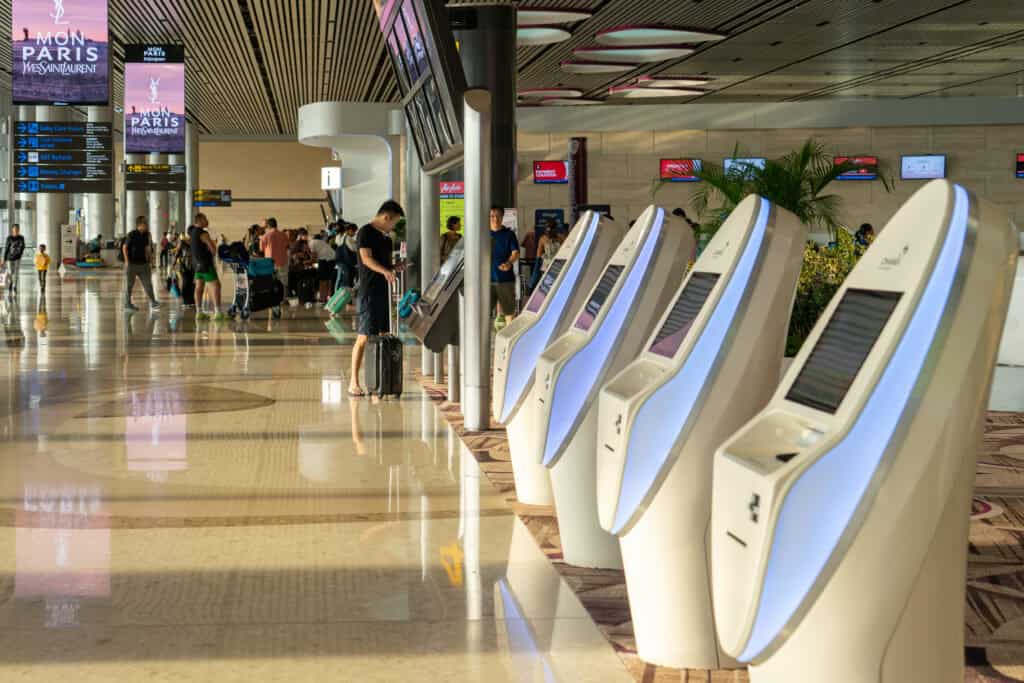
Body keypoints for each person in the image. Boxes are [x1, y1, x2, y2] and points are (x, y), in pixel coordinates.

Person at [350, 200, 404, 397]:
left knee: (382, 335)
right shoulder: (365, 232)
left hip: (383, 292)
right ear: (386, 217)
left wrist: (394, 268)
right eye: (394, 222)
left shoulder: (386, 239)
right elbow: (366, 259)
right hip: (369, 292)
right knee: (364, 336)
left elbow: (384, 264)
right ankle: (353, 382)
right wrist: (385, 271)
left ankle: (379, 381)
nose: (393, 227)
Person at [188, 213, 224, 320]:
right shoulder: (203, 233)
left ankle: (199, 313)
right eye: (205, 219)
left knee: (199, 287)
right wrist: (213, 246)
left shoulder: (193, 232)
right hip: (205, 263)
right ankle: (218, 313)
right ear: (200, 220)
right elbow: (213, 249)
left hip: (196, 264)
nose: (207, 221)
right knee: (216, 286)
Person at [490, 205, 519, 331]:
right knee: (482, 314)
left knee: (509, 313)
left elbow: (515, 252)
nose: (495, 219)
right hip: (486, 281)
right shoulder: (482, 234)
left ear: (502, 217)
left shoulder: (509, 234)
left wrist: (509, 263)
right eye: (492, 216)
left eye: (498, 216)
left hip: (505, 279)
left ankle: (507, 343)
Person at [123, 216, 161, 312]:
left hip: (144, 264)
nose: (147, 225)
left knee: (148, 284)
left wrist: (150, 261)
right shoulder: (131, 234)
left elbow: (147, 248)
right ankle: (127, 304)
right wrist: (127, 262)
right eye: (145, 223)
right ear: (140, 225)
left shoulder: (147, 235)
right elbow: (125, 248)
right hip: (132, 264)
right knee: (129, 285)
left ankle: (153, 302)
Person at [259, 217, 290, 306]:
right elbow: (287, 246)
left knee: (271, 281)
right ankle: (284, 299)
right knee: (284, 282)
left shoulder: (265, 236)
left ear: (268, 225)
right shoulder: (283, 235)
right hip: (282, 261)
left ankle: (272, 299)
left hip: (270, 262)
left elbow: (261, 249)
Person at [530, 221, 563, 292]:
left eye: (551, 229)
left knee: (557, 287)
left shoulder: (561, 238)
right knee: (548, 288)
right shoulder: (543, 239)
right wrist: (537, 266)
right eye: (548, 229)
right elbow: (539, 254)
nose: (549, 231)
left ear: (555, 229)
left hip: (558, 266)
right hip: (546, 267)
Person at [310, 230, 337, 303]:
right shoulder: (322, 242)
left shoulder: (312, 243)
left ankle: (322, 298)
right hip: (333, 260)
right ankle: (328, 297)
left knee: (322, 281)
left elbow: (313, 257)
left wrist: (308, 262)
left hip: (324, 261)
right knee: (329, 280)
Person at [2, 224, 26, 297]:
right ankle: (10, 284)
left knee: (16, 273)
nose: (15, 230)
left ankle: (15, 286)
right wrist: (4, 259)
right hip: (9, 258)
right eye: (14, 229)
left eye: (17, 229)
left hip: (17, 258)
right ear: (12, 230)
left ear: (18, 230)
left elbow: (23, 246)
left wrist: (20, 254)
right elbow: (6, 248)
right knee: (10, 272)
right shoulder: (9, 238)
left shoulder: (21, 238)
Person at [334, 222, 358, 294]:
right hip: (346, 262)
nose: (354, 233)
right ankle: (345, 297)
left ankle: (338, 294)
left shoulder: (341, 237)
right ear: (349, 230)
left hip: (340, 261)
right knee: (347, 280)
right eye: (354, 231)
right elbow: (354, 249)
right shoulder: (348, 238)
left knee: (341, 279)